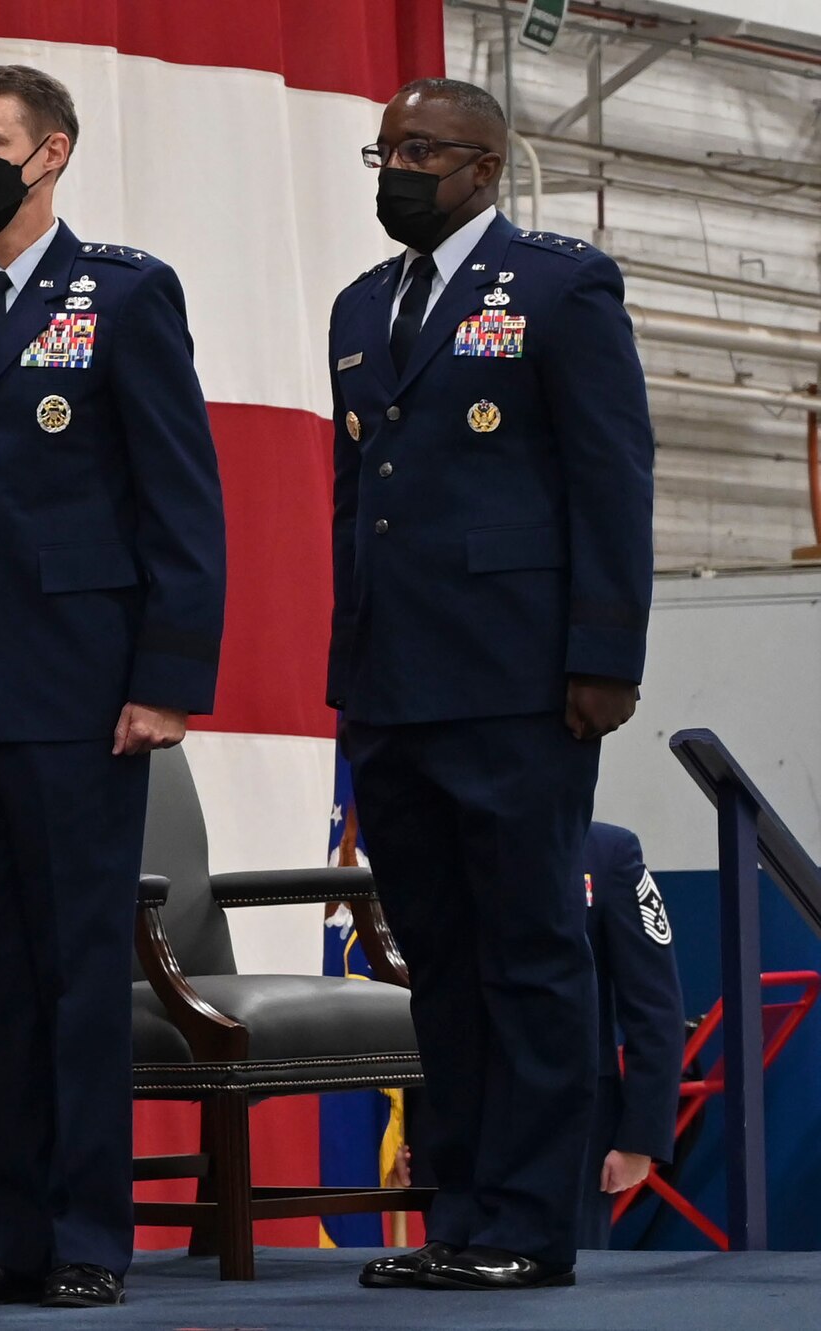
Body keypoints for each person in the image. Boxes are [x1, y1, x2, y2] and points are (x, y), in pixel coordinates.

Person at [0, 64, 226, 1309]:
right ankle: (1, 1229)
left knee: (80, 972)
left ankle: (85, 1229)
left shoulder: (123, 294)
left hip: (84, 694)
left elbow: (179, 500)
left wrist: (166, 679)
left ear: (52, 154)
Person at [331, 78, 654, 1292]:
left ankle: (528, 1221)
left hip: (519, 681)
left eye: (420, 150)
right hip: (392, 683)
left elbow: (610, 477)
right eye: (385, 149)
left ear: (483, 164)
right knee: (441, 961)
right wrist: (344, 661)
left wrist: (603, 656)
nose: (396, 169)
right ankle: (458, 1213)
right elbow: (350, 497)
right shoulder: (363, 305)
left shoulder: (559, 284)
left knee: (526, 953)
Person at [577, 821, 685, 1249]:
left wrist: (640, 1138)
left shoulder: (606, 852)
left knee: (561, 1293)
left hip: (577, 1115)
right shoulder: (462, 841)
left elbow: (654, 1004)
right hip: (469, 1112)